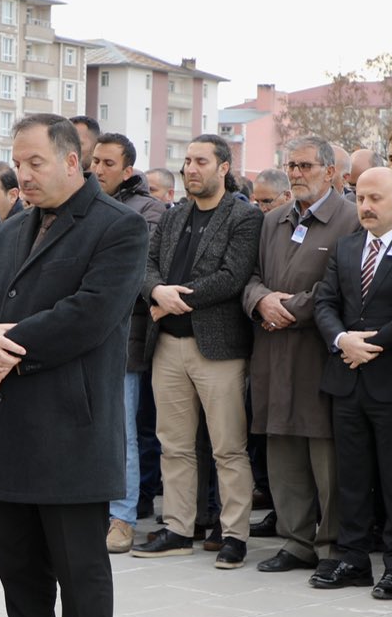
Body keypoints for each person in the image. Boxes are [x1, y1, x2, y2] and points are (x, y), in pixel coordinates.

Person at [0, 113, 147, 617]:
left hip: (71, 422)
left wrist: (3, 350)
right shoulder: (11, 228)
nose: (24, 173)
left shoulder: (118, 227)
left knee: (79, 566)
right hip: (8, 420)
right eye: (18, 161)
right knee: (16, 557)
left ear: (74, 161)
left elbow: (90, 314)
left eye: (36, 161)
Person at [131, 135, 263, 568]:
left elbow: (232, 276)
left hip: (218, 348)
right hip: (168, 343)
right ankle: (178, 528)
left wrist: (171, 297)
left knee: (227, 447)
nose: (191, 168)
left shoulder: (243, 216)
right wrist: (155, 290)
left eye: (200, 161)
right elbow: (145, 265)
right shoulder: (174, 215)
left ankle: (234, 534)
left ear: (223, 167)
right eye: (187, 160)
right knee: (174, 445)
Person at [313, 167, 392, 598]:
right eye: (361, 197)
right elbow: (326, 301)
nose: (365, 206)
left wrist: (372, 344)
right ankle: (353, 558)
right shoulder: (345, 248)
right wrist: (342, 339)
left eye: (376, 198)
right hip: (346, 378)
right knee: (352, 476)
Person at [244, 135, 358, 576]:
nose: (295, 174)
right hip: (272, 352)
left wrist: (287, 309)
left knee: (324, 455)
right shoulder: (273, 220)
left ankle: (330, 546)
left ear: (330, 172)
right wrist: (261, 301)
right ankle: (295, 542)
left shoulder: (349, 219)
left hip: (317, 353)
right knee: (282, 447)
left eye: (305, 166)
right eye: (291, 165)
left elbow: (340, 287)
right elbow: (251, 276)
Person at [93, 133, 168, 550]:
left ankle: (121, 518)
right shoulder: (82, 203)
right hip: (84, 335)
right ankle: (94, 511)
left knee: (121, 432)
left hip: (124, 337)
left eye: (108, 163)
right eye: (95, 162)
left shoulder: (147, 210)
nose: (98, 170)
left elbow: (134, 269)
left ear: (128, 171)